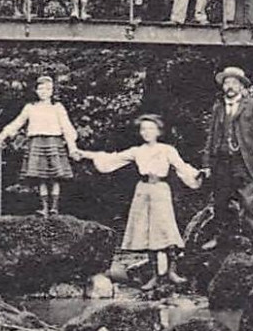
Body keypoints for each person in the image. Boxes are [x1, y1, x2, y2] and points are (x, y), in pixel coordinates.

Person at [83, 115, 205, 290]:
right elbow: (113, 159)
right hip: (143, 191)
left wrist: (196, 174)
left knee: (165, 229)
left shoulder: (167, 150)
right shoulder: (137, 151)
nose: (147, 132)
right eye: (143, 129)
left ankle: (172, 271)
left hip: (160, 190)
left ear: (158, 131)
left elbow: (181, 166)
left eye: (150, 129)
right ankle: (156, 275)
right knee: (148, 232)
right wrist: (85, 154)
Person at [201, 66, 253, 255]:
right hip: (221, 162)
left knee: (250, 202)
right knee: (220, 202)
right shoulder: (218, 107)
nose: (229, 86)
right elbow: (211, 137)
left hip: (244, 162)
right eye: (226, 83)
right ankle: (219, 238)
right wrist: (206, 163)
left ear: (241, 86)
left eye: (234, 83)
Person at [0, 74, 79, 217]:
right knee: (41, 176)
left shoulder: (57, 107)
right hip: (36, 143)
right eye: (41, 89)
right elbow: (17, 123)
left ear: (52, 91)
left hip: (54, 142)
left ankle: (54, 208)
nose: (44, 92)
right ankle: (44, 208)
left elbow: (67, 127)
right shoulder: (30, 108)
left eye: (48, 89)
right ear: (36, 91)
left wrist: (72, 147)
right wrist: (1, 137)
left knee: (55, 176)